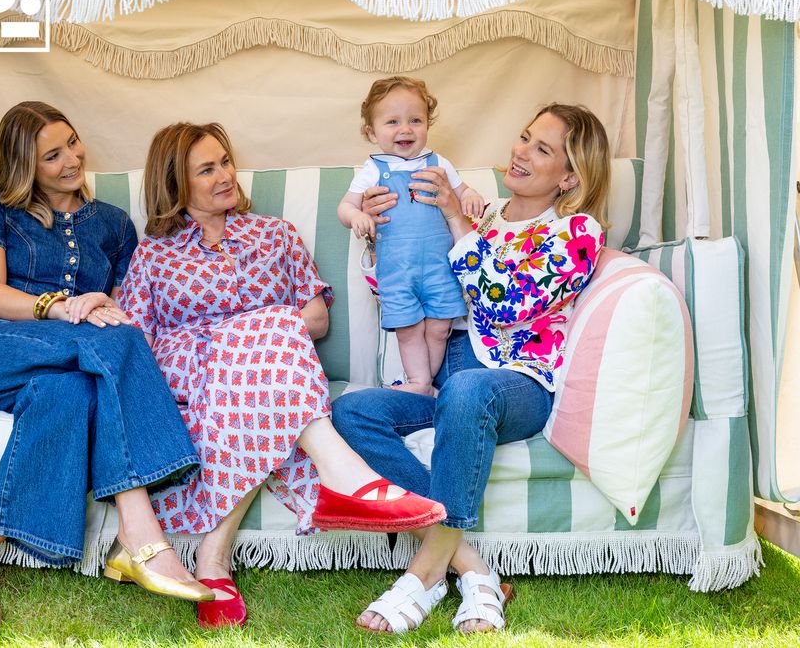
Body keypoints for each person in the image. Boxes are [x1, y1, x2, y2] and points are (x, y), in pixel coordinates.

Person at [116, 122, 448, 628]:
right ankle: (439, 546)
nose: (226, 175)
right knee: (262, 341)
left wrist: (256, 333)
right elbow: (134, 346)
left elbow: (315, 320)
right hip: (194, 373)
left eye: (225, 161)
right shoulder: (154, 255)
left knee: (263, 358)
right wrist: (244, 332)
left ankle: (213, 560)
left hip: (273, 374)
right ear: (175, 183)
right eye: (207, 169)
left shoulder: (274, 233)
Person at [332, 103, 611, 635]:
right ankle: (472, 566)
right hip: (453, 378)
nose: (521, 152)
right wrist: (381, 229)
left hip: (520, 383)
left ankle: (423, 574)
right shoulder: (488, 214)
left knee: (465, 389)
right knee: (351, 412)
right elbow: (407, 290)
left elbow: (506, 304)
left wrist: (455, 221)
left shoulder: (578, 230)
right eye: (525, 137)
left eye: (542, 149)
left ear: (570, 175)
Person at [0, 102, 215, 629]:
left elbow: (122, 304)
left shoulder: (112, 223)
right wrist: (60, 307)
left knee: (74, 394)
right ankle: (141, 534)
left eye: (72, 142)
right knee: (112, 341)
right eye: (52, 155)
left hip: (69, 363)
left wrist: (101, 304)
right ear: (26, 166)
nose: (72, 159)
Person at [337, 77, 486, 395]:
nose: (405, 129)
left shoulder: (438, 163)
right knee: (408, 329)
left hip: (439, 269)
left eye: (415, 120)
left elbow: (461, 191)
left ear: (427, 125)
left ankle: (425, 383)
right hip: (397, 271)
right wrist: (358, 215)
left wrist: (470, 196)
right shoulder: (374, 169)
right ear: (372, 132)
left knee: (439, 327)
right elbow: (345, 208)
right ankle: (419, 381)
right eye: (392, 122)